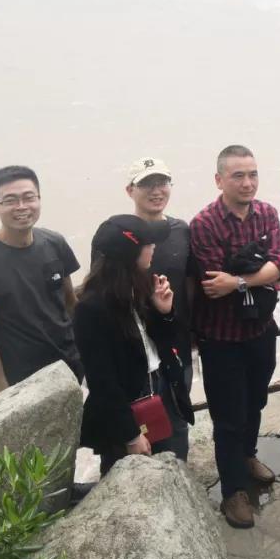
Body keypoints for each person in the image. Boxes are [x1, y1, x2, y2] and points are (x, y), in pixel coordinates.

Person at [189, 145, 280, 530]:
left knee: (257, 400)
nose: (248, 183)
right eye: (238, 176)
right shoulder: (205, 223)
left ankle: (247, 456)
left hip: (260, 329)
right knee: (228, 416)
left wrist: (240, 280)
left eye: (253, 174)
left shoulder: (266, 213)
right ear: (219, 180)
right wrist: (254, 273)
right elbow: (214, 282)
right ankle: (233, 491)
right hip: (221, 337)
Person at [74, 215, 193, 473]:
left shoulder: (143, 286)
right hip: (127, 405)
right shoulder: (91, 308)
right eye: (148, 244)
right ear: (129, 252)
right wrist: (130, 435)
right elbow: (101, 380)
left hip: (162, 388)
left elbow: (163, 343)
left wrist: (165, 312)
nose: (154, 248)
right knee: (130, 475)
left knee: (173, 463)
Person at [0, 165, 82, 391]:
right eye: (10, 200)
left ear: (39, 199)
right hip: (24, 379)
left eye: (29, 197)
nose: (21, 206)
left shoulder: (54, 243)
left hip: (71, 365)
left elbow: (71, 303)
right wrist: (4, 392)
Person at [124, 157, 194, 394]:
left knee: (180, 411)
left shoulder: (182, 230)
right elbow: (101, 292)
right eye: (146, 184)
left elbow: (190, 283)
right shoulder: (118, 236)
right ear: (129, 190)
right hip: (136, 349)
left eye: (162, 183)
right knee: (145, 415)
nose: (156, 191)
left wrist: (194, 332)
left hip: (177, 343)